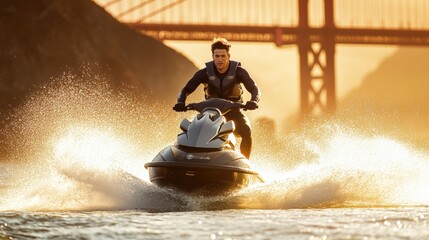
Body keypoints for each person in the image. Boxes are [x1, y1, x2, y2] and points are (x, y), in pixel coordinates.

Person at [173, 37, 261, 159]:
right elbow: (186, 90)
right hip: (209, 114)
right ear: (213, 56)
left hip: (233, 112)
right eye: (217, 56)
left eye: (223, 56)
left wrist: (253, 101)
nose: (220, 59)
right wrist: (180, 102)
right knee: (190, 132)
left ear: (228, 56)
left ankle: (245, 163)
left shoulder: (239, 72)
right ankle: (183, 157)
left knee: (246, 131)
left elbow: (255, 89)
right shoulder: (204, 73)